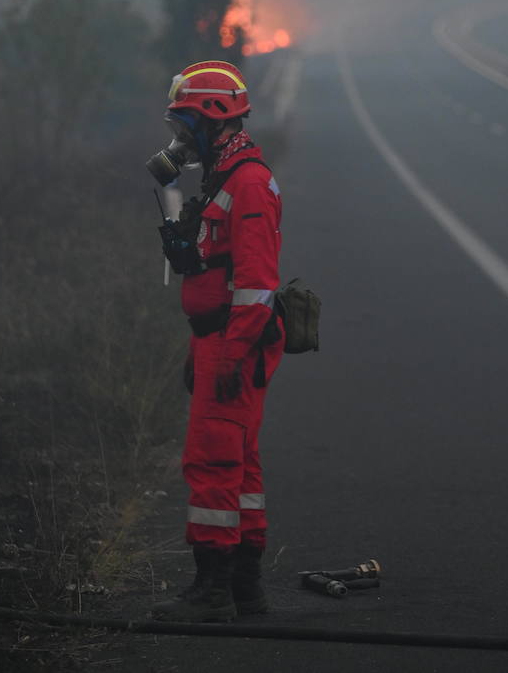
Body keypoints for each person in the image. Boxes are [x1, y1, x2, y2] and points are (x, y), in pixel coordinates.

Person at [151, 60, 284, 623]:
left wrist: (231, 353)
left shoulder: (246, 182)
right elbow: (219, 275)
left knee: (212, 460)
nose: (181, 140)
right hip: (221, 338)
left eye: (186, 126)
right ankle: (245, 589)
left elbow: (256, 283)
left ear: (214, 117)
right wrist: (199, 344)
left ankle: (211, 591)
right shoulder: (225, 175)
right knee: (241, 466)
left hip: (236, 342)